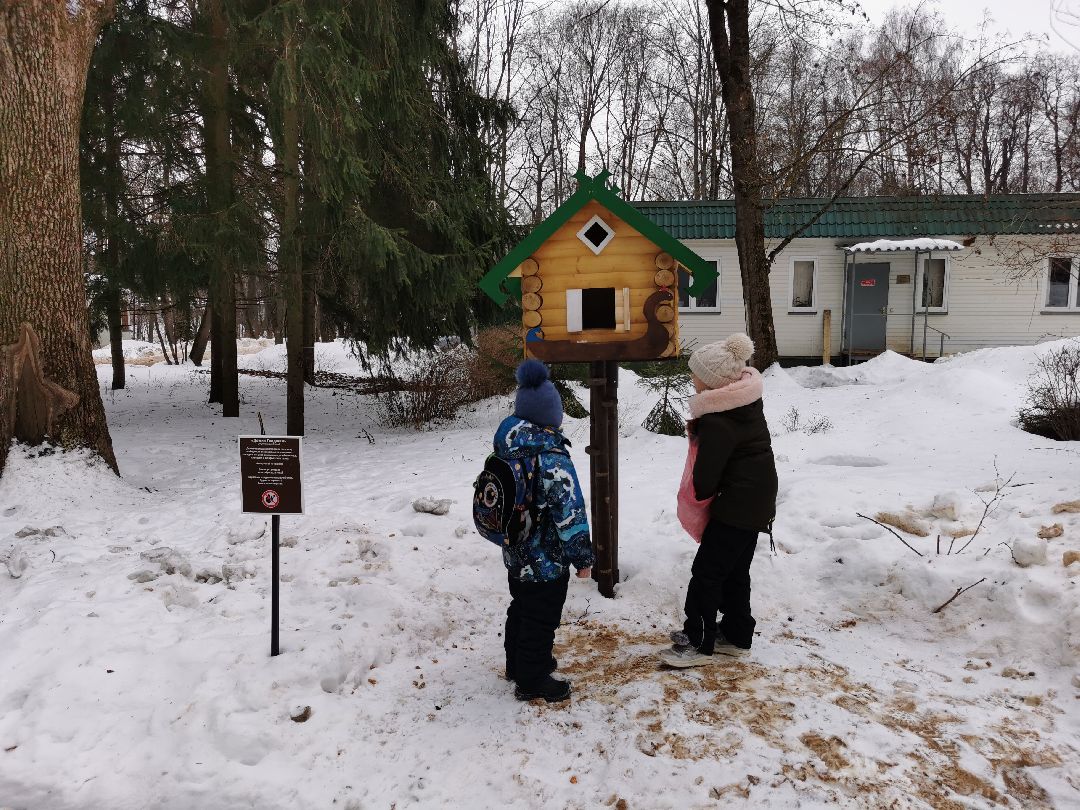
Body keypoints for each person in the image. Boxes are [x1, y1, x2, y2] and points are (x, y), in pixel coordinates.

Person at [660, 334, 777, 667]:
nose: (692, 380)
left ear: (710, 382)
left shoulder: (718, 420)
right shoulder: (743, 405)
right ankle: (737, 636)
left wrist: (696, 500)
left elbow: (705, 479)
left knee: (707, 573)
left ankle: (698, 642)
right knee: (735, 571)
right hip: (754, 502)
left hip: (736, 505)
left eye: (695, 375)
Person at [494, 359, 594, 702]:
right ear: (552, 416)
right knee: (541, 618)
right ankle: (532, 679)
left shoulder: (506, 449)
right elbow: (571, 515)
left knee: (520, 607)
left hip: (514, 551)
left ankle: (517, 664)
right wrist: (582, 557)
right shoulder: (552, 459)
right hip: (546, 561)